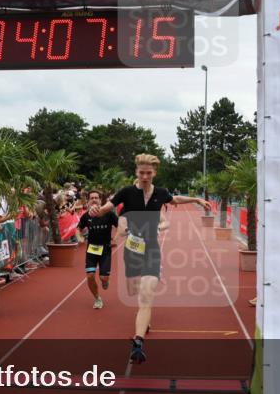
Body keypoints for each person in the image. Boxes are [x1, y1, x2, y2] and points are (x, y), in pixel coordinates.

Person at [88, 154, 211, 364]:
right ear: (136, 172)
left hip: (152, 251)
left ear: (154, 173)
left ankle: (138, 343)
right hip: (132, 251)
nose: (145, 176)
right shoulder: (126, 192)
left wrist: (197, 199)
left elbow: (175, 200)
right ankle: (143, 319)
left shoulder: (160, 193)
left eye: (148, 173)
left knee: (146, 296)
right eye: (141, 173)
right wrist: (94, 210)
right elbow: (105, 209)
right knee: (134, 291)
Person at [78, 189, 119, 309]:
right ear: (88, 201)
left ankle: (105, 280)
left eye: (96, 198)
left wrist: (115, 239)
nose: (94, 200)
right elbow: (78, 229)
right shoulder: (86, 216)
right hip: (92, 249)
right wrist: (79, 237)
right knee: (90, 276)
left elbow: (120, 226)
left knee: (103, 278)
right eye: (92, 198)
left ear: (100, 200)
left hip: (105, 249)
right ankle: (97, 298)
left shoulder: (109, 214)